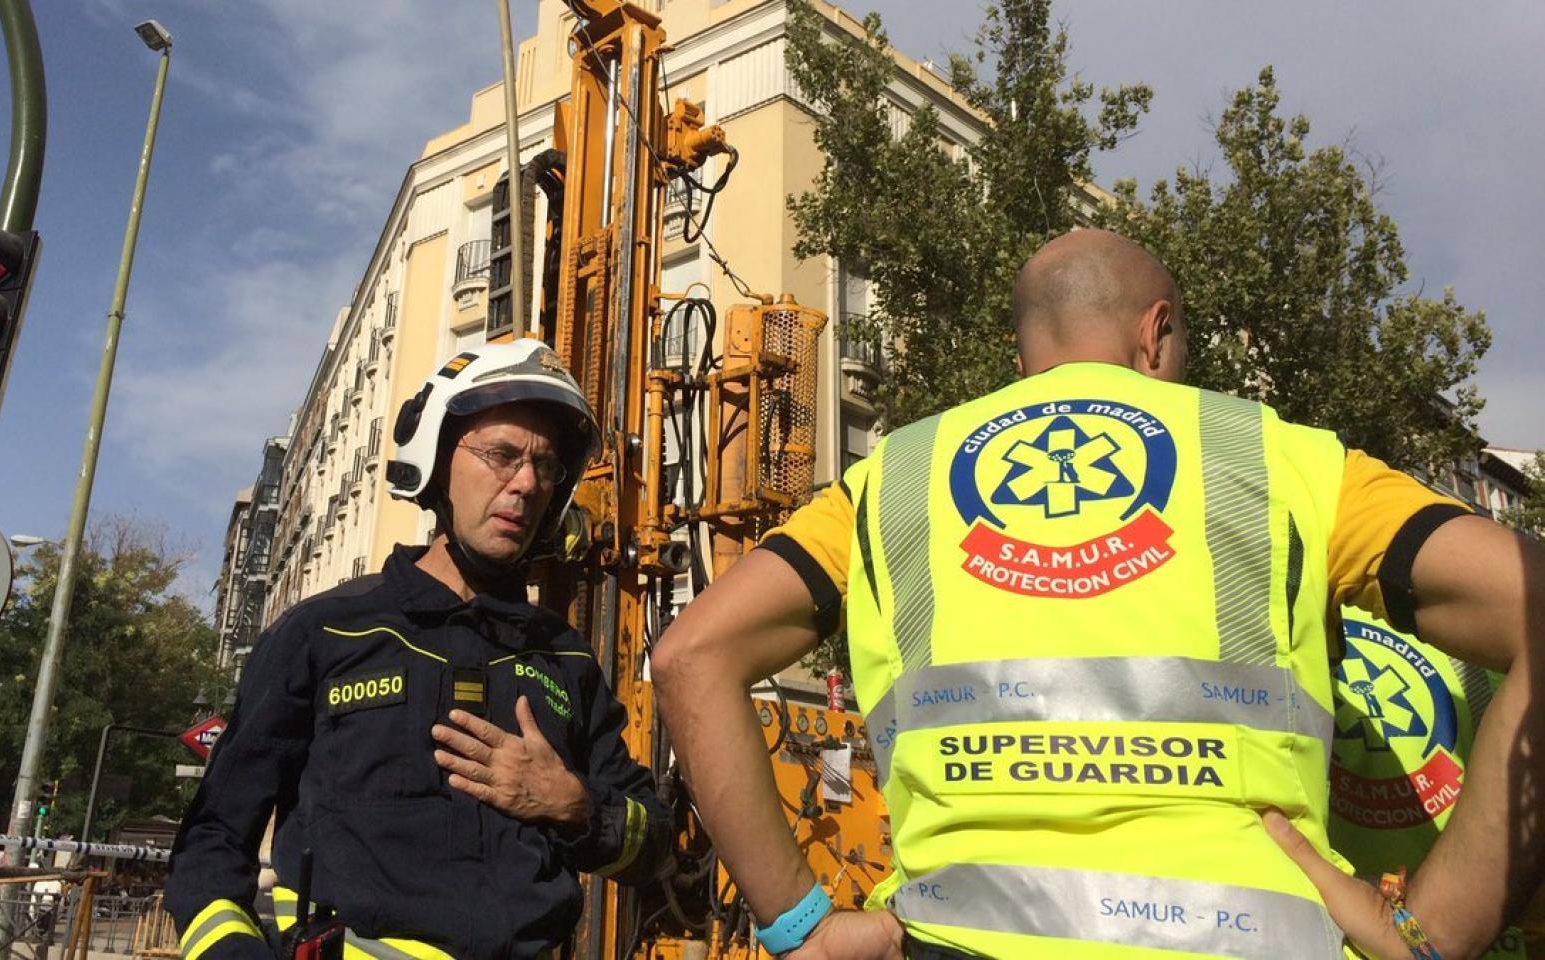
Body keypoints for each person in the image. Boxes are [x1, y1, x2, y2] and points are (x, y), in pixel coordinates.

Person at [652, 229, 1544, 960]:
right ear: (1156, 333)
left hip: (958, 941)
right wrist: (1434, 932)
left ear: (1022, 358)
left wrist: (800, 927)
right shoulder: (1281, 458)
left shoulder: (895, 477)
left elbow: (693, 654)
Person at [167, 340, 673, 960]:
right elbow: (213, 839)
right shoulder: (326, 633)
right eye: (502, 455)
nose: (526, 483)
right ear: (434, 459)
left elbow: (655, 845)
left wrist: (574, 806)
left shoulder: (566, 662)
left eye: (546, 466)